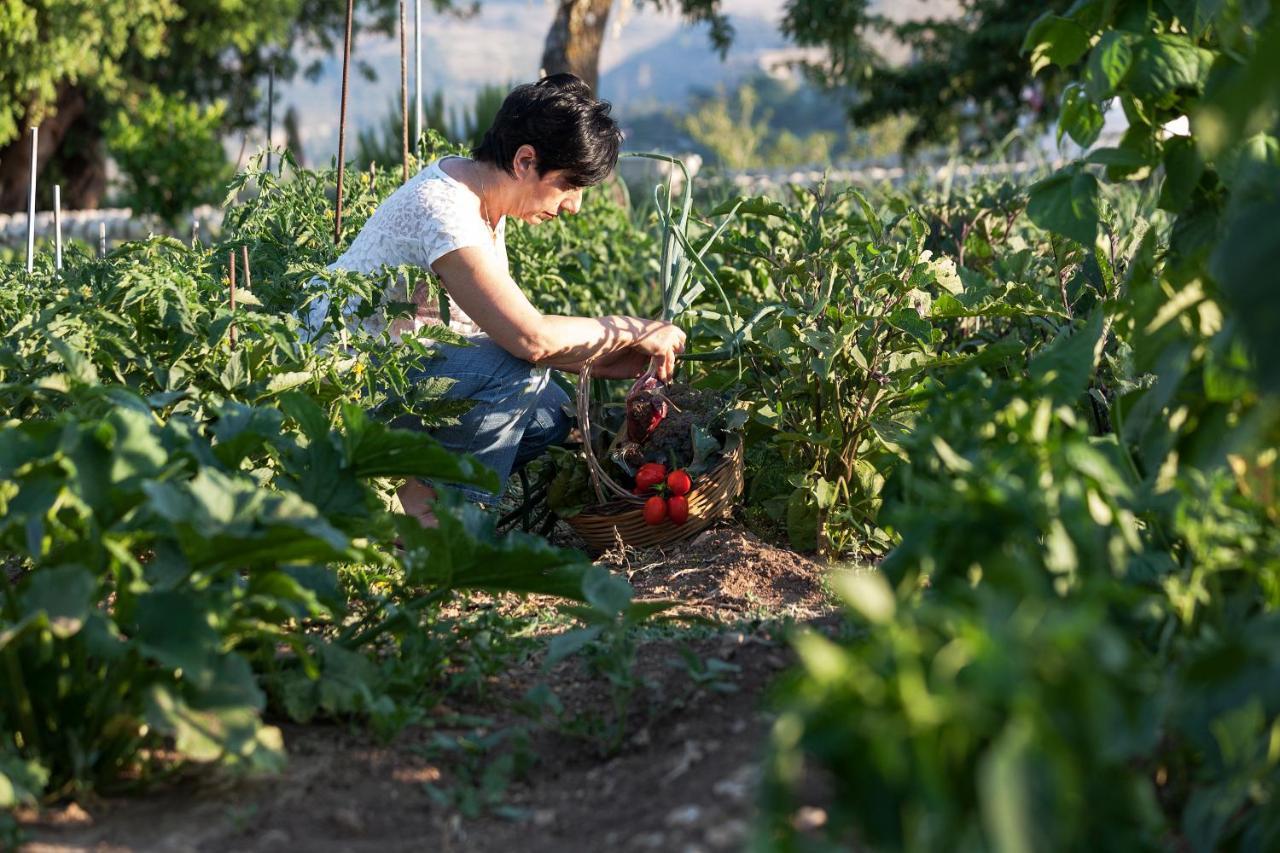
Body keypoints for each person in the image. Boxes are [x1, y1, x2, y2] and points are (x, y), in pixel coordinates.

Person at [302, 74, 685, 526]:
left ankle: (400, 490)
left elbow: (498, 331)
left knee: (548, 416)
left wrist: (615, 359)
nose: (573, 206)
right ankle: (441, 527)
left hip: (394, 376)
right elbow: (528, 339)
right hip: (342, 388)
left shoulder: (483, 204)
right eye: (569, 185)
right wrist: (632, 329)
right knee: (518, 370)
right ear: (525, 161)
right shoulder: (446, 212)